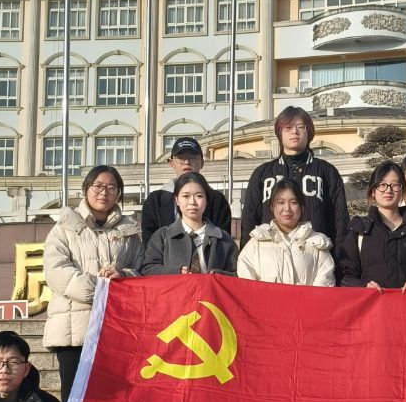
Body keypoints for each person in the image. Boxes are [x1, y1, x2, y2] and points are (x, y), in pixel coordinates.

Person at [41, 165, 143, 402]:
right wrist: (101, 289)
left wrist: (122, 275)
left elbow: (141, 271)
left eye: (111, 188)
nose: (103, 192)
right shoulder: (65, 227)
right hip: (74, 331)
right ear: (86, 189)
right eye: (97, 186)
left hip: (115, 330)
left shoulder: (129, 232)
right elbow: (57, 272)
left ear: (118, 194)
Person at [239, 106, 349, 257]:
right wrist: (247, 258)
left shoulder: (327, 172)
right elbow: (249, 221)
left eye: (301, 127)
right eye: (288, 127)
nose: (295, 131)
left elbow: (340, 220)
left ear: (309, 132)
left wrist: (341, 263)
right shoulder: (262, 174)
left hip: (315, 257)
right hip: (270, 258)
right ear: (279, 133)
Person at [339, 161, 406, 291]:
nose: (388, 190)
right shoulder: (360, 231)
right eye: (382, 185)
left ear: (402, 190)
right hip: (373, 303)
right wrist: (363, 286)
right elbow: (343, 275)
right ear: (373, 191)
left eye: (395, 185)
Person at [237, 178, 336, 286]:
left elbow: (323, 290)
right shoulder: (256, 244)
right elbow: (246, 287)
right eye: (281, 202)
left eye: (293, 202)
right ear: (272, 207)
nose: (287, 208)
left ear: (302, 208)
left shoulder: (318, 246)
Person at [142, 170, 238, 276]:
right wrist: (176, 272)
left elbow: (236, 274)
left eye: (199, 196)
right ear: (176, 200)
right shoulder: (162, 237)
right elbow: (148, 269)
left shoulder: (223, 239)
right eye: (186, 196)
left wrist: (217, 276)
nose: (192, 202)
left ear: (207, 201)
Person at [140, 136, 232, 243]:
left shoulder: (217, 201)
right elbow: (150, 245)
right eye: (180, 157)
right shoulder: (155, 201)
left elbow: (224, 243)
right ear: (171, 163)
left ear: (202, 162)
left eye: (193, 157)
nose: (187, 162)